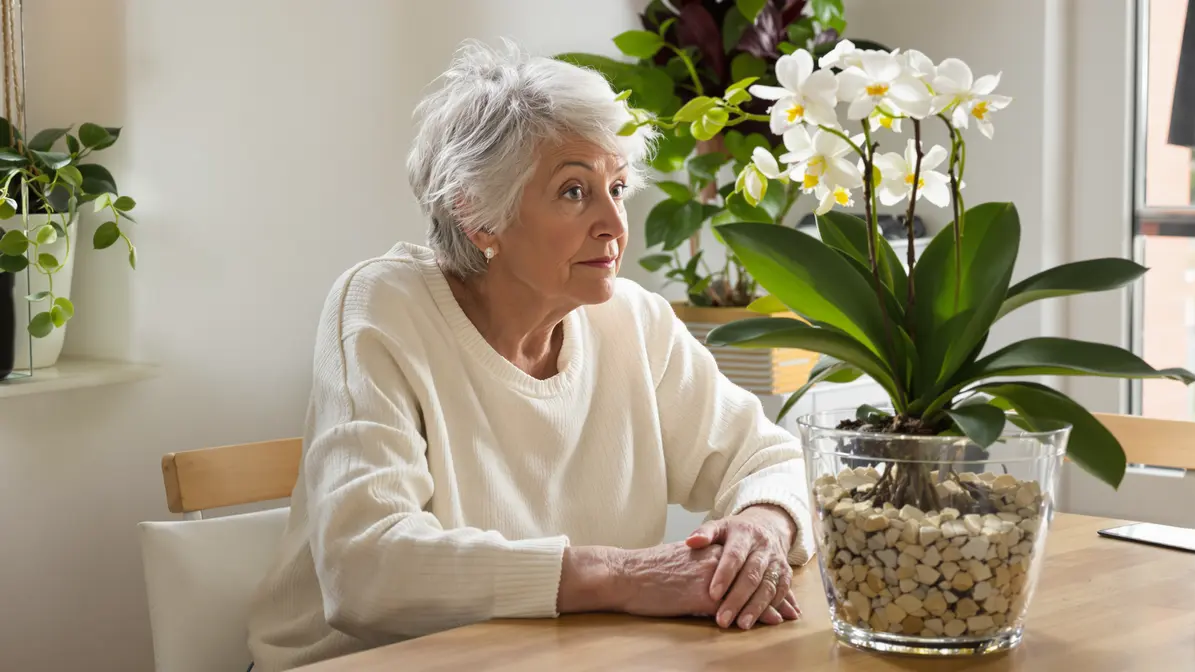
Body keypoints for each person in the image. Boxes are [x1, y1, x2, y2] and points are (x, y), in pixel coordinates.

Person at [246, 40, 813, 671]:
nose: (615, 223)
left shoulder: (634, 318)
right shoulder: (382, 306)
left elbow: (770, 457)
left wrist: (762, 525)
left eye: (617, 187)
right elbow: (366, 567)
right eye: (574, 191)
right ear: (476, 213)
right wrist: (624, 574)